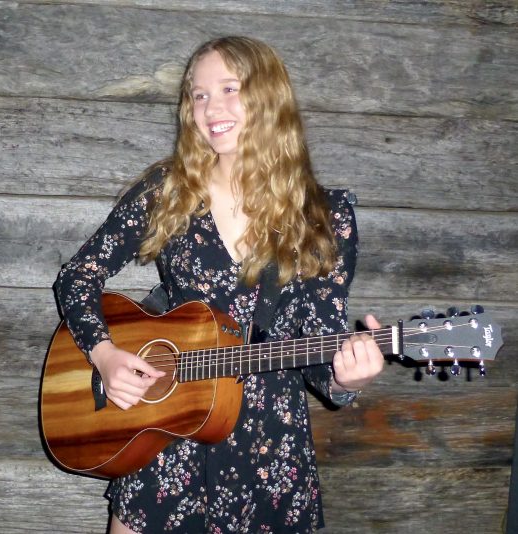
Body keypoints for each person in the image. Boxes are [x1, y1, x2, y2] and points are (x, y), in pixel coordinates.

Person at [53, 36, 384, 533]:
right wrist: (103, 355)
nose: (211, 109)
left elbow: (320, 346)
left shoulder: (324, 216)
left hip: (268, 449)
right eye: (199, 95)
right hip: (164, 430)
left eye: (230, 89)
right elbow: (78, 275)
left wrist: (345, 380)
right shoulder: (168, 191)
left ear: (269, 96)